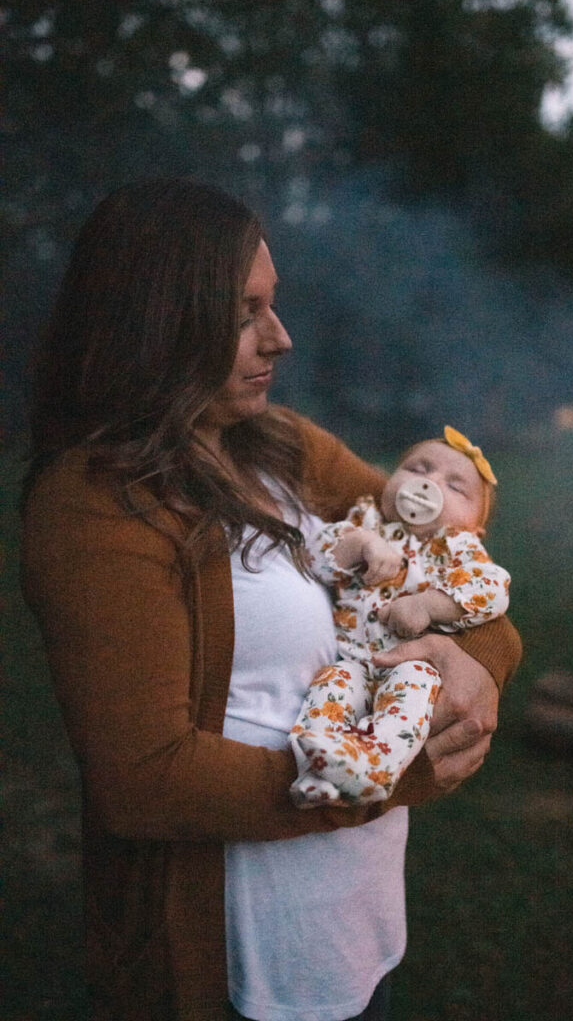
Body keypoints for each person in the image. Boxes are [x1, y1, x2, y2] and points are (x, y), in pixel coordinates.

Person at [21, 178, 522, 1021]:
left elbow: (468, 584)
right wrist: (391, 774)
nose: (279, 338)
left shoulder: (279, 446)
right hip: (237, 961)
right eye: (245, 312)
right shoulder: (95, 501)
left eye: (274, 305)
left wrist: (461, 658)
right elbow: (146, 782)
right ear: (159, 318)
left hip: (352, 923)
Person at [290, 428, 511, 806]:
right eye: (418, 468)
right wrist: (360, 545)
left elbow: (492, 589)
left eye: (455, 486)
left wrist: (429, 605)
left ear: (475, 525)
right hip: (352, 661)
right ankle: (323, 771)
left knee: (406, 710)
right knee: (328, 694)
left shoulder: (456, 546)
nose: (429, 483)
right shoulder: (364, 523)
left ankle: (375, 770)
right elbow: (314, 556)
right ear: (389, 479)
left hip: (410, 662)